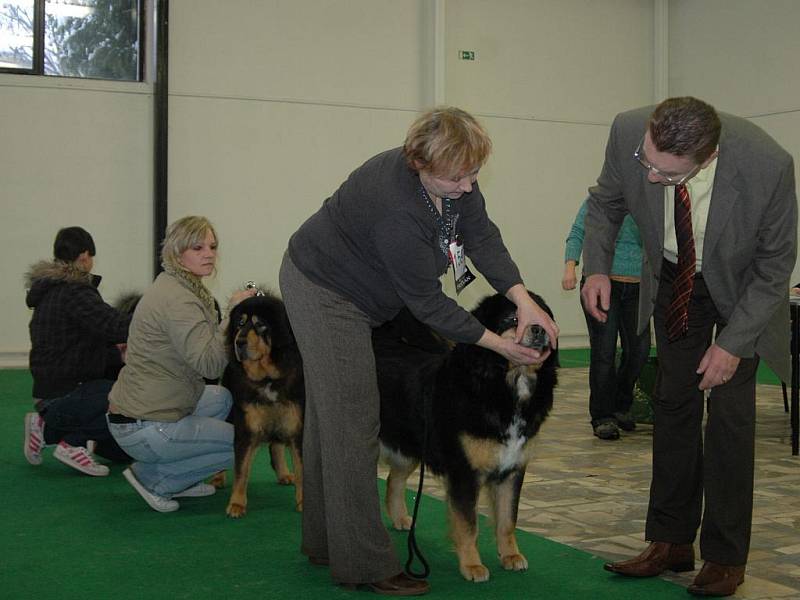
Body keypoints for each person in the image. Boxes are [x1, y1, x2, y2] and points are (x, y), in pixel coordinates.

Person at [279, 106, 559, 596]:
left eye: (475, 173)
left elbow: (482, 236)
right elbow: (428, 304)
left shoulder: (454, 180)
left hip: (372, 290)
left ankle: (325, 541)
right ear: (420, 165)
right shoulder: (395, 208)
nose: (469, 185)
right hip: (325, 291)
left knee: (332, 418)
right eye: (459, 177)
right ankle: (364, 564)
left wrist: (523, 299)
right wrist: (501, 346)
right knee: (353, 421)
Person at [581, 97, 796, 597]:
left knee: (730, 416)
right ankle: (670, 541)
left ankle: (725, 556)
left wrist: (734, 345)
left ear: (710, 157)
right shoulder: (628, 130)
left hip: (742, 289)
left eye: (668, 176)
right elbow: (606, 201)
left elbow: (774, 266)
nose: (652, 179)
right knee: (672, 403)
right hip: (677, 279)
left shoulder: (769, 164)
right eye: (648, 164)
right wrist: (596, 265)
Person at [106, 216, 254, 513]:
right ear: (176, 253)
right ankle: (157, 480)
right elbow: (211, 365)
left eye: (212, 246)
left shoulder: (174, 285)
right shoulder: (180, 300)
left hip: (134, 413)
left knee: (221, 398)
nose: (209, 253)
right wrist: (233, 314)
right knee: (242, 443)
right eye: (197, 247)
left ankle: (179, 474)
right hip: (146, 425)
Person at [24, 226, 132, 476]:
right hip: (66, 394)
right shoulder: (75, 292)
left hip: (48, 394)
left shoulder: (50, 291)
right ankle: (73, 443)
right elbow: (114, 326)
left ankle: (45, 427)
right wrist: (152, 321)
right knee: (130, 394)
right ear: (84, 256)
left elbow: (82, 345)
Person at [563, 198, 651, 440]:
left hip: (638, 288)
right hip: (602, 284)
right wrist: (570, 267)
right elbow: (578, 232)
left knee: (639, 351)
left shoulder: (648, 200)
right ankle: (603, 417)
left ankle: (620, 404)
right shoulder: (599, 199)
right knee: (605, 351)